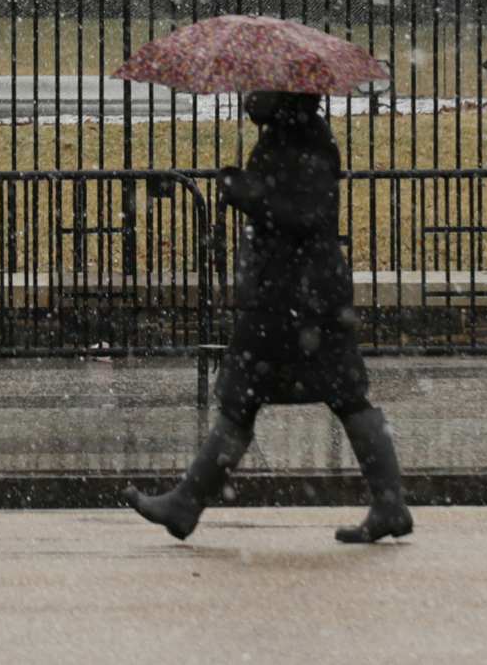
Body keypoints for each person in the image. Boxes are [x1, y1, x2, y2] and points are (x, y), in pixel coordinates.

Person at [130, 88, 413, 545]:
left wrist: (243, 190)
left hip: (293, 301)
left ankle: (187, 502)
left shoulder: (305, 140)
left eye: (258, 89)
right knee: (326, 397)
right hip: (296, 296)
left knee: (253, 399)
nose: (249, 96)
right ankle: (389, 503)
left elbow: (302, 214)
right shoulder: (293, 134)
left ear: (285, 95)